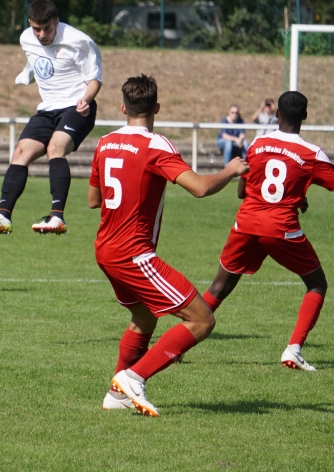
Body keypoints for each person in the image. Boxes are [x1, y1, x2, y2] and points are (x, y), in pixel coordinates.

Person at [90, 74, 249, 417]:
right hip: (133, 253)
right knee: (202, 320)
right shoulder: (156, 145)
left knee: (144, 317)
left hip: (105, 249)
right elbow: (200, 188)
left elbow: (93, 199)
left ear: (123, 108)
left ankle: (116, 395)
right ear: (157, 108)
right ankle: (133, 378)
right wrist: (231, 170)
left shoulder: (104, 143)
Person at [202, 91, 334, 372]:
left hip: (247, 224)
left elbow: (242, 191)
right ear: (305, 116)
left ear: (277, 114)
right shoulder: (311, 153)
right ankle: (294, 349)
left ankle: (175, 347)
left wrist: (294, 195)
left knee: (219, 287)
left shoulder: (258, 143)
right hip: (280, 229)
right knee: (317, 284)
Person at [0, 0, 102, 235]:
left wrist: (86, 98)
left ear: (57, 22)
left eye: (47, 29)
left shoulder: (79, 41)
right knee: (20, 152)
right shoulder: (26, 38)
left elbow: (94, 78)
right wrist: (27, 75)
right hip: (47, 110)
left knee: (55, 147)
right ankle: (3, 216)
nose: (42, 35)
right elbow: (35, 60)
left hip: (77, 107)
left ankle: (57, 218)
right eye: (36, 29)